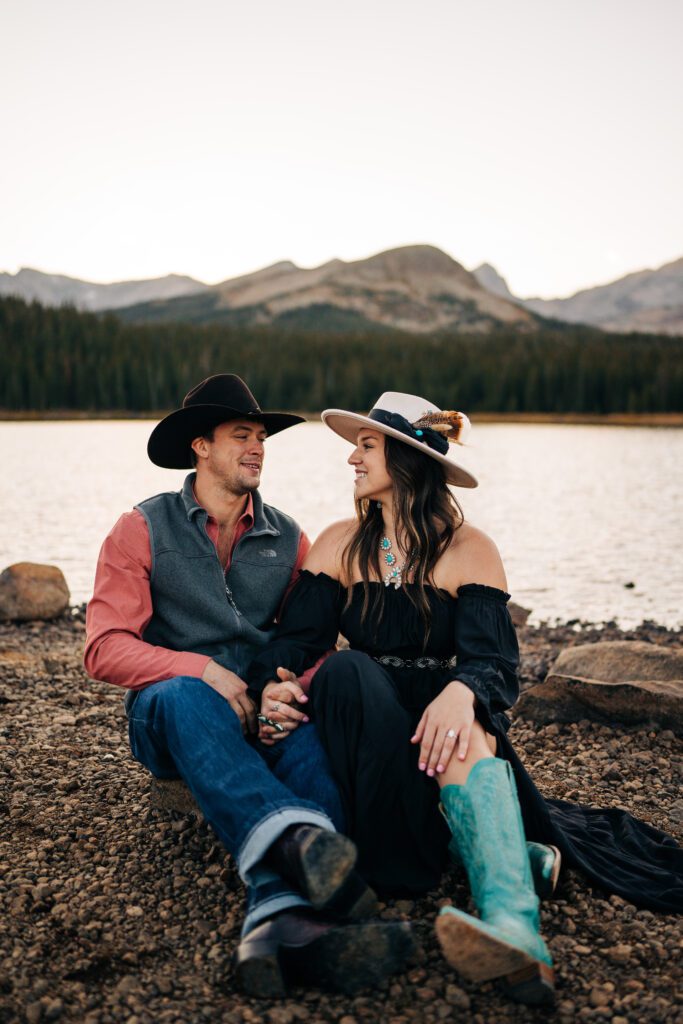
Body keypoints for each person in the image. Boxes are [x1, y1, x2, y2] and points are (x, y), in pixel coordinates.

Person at [247, 390, 683, 1007]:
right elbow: (296, 642)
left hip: (437, 721)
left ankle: (515, 932)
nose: (352, 461)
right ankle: (477, 850)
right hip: (362, 722)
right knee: (346, 670)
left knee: (461, 728)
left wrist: (461, 689)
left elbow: (496, 663)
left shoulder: (469, 547)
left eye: (366, 447)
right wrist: (274, 684)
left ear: (405, 459)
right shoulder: (339, 543)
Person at [83, 374, 415, 998]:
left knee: (316, 758)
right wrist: (201, 669)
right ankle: (295, 844)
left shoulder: (291, 538)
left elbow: (310, 640)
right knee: (183, 697)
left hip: (266, 714)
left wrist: (285, 691)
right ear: (200, 447)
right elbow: (103, 649)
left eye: (262, 438)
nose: (258, 448)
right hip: (174, 718)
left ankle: (280, 922)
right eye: (242, 436)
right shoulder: (140, 528)